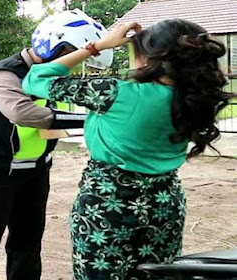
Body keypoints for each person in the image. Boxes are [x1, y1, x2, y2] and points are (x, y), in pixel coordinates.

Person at [22, 19, 230, 280]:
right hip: (165, 204)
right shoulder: (196, 98)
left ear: (150, 58)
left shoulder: (113, 93)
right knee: (158, 275)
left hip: (107, 206)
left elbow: (36, 79)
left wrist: (97, 46)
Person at [0, 9, 112, 280]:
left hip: (35, 171)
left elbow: (48, 127)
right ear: (55, 45)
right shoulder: (1, 74)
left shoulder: (54, 78)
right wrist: (87, 121)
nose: (71, 62)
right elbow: (22, 114)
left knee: (27, 244)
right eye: (69, 53)